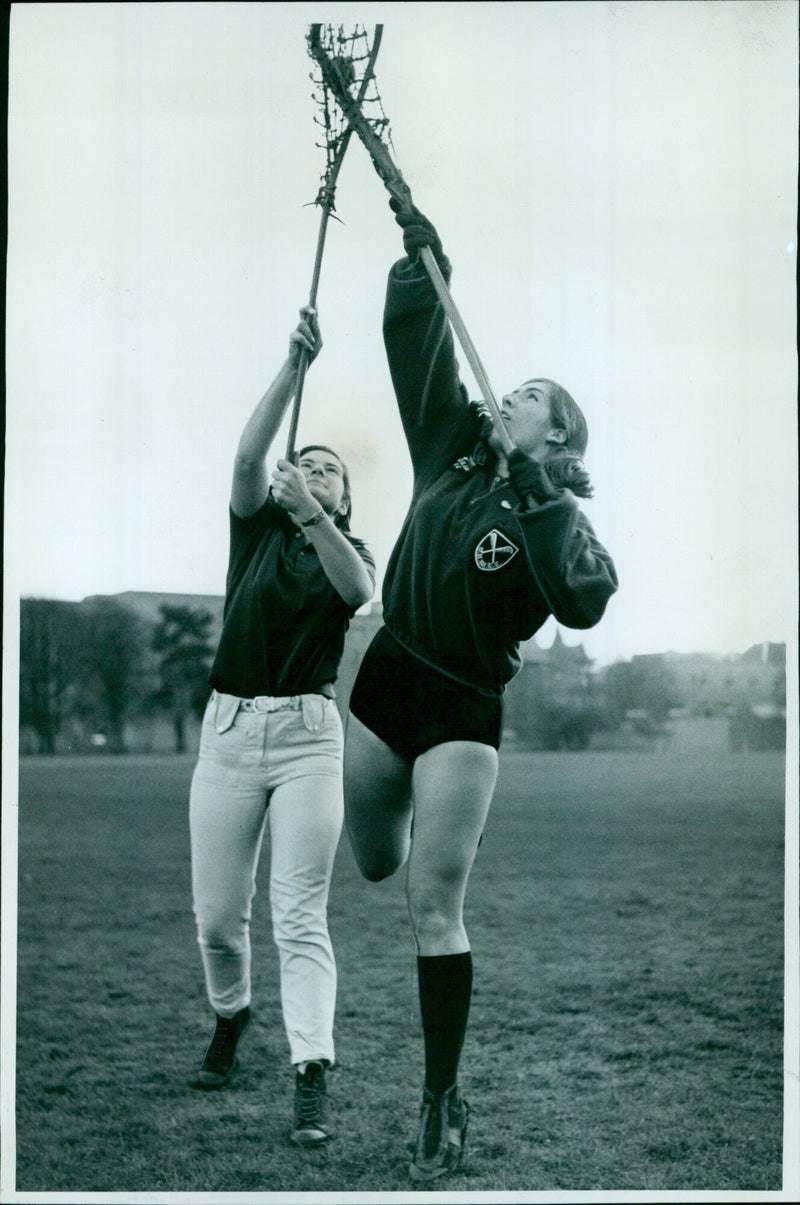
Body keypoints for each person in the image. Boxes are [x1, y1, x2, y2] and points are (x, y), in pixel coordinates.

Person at [343, 203, 618, 1182]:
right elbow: (414, 345)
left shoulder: (552, 515)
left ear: (555, 431)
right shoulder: (452, 443)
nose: (511, 395)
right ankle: (420, 844)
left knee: (430, 901)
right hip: (386, 678)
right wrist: (425, 268)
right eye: (516, 386)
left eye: (532, 395)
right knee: (375, 862)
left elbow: (587, 597)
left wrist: (544, 503)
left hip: (461, 708)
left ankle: (438, 1095)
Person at [188, 307, 375, 1149]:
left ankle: (311, 1070)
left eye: (330, 470)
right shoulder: (254, 526)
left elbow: (357, 588)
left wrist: (313, 513)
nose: (314, 469)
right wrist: (291, 368)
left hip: (308, 739)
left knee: (299, 914)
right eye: (305, 461)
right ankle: (232, 1014)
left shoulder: (343, 544)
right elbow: (241, 456)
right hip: (228, 732)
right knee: (219, 919)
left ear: (342, 496)